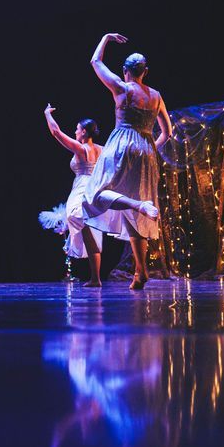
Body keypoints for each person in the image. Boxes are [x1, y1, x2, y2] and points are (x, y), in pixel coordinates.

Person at [83, 34, 172, 290]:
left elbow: (95, 61)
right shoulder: (156, 95)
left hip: (122, 144)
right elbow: (167, 131)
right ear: (146, 72)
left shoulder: (122, 88)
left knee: (95, 194)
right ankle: (140, 272)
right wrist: (151, 147)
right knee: (133, 217)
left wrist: (106, 38)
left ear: (125, 71)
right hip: (146, 149)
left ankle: (137, 204)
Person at [43, 105, 111, 286]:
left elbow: (56, 132)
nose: (75, 132)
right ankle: (95, 278)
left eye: (77, 129)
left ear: (84, 132)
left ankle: (95, 277)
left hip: (83, 188)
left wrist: (47, 114)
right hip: (96, 189)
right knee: (91, 232)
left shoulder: (82, 149)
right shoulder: (102, 149)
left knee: (75, 215)